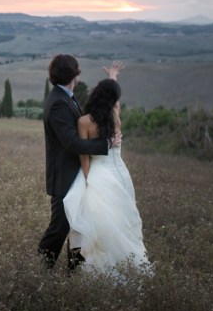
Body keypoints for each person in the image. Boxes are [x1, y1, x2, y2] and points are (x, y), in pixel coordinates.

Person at [63, 61, 150, 276]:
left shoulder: (84, 121)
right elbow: (114, 96)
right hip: (120, 174)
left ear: (95, 94)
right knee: (121, 220)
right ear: (113, 100)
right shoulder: (115, 115)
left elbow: (83, 154)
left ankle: (94, 269)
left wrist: (86, 178)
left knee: (95, 223)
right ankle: (126, 266)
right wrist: (114, 75)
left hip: (98, 174)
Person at [37, 54, 116, 271]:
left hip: (74, 176)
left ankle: (75, 272)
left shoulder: (65, 97)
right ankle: (39, 271)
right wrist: (105, 145)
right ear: (73, 75)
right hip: (65, 177)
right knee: (59, 229)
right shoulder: (58, 104)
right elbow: (71, 143)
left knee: (78, 229)